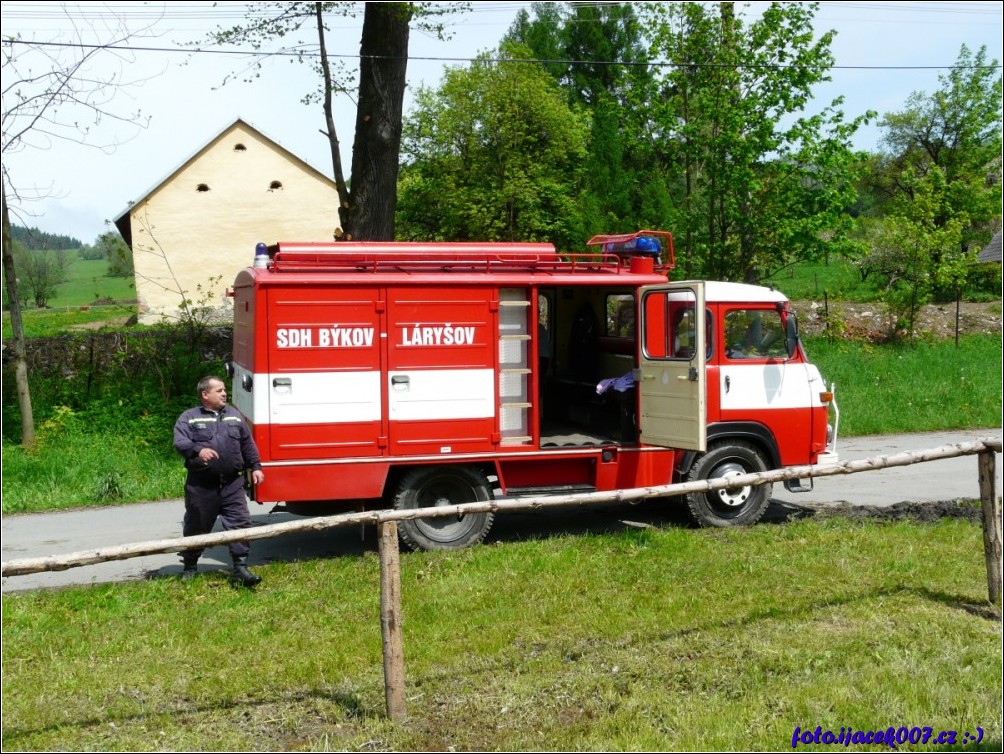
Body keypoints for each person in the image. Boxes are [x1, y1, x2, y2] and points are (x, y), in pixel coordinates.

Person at [173, 375, 265, 586]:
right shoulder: (189, 417)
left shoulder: (234, 416)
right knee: (197, 525)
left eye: (224, 390)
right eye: (219, 390)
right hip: (201, 485)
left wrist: (256, 466)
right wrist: (198, 450)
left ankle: (240, 569)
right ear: (205, 394)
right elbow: (180, 442)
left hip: (232, 484)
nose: (224, 393)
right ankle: (190, 566)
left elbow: (247, 443)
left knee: (240, 523)